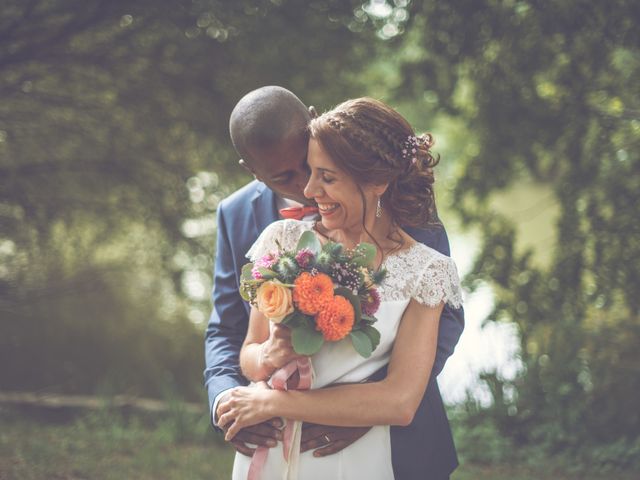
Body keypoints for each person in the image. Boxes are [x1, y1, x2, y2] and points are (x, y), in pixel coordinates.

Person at [204, 88, 465, 479]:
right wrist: (231, 399)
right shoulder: (263, 229)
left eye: (318, 171)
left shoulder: (401, 208)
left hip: (392, 445)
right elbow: (229, 331)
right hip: (274, 446)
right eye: (285, 175)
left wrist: (360, 405)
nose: (307, 186)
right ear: (252, 170)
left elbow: (443, 323)